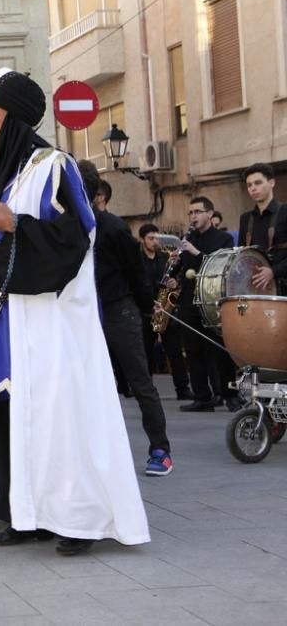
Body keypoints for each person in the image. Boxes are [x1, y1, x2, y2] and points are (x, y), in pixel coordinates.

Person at [0, 67, 149, 555]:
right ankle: (31, 515)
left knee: (63, 419)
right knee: (31, 422)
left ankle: (80, 521)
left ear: (12, 119)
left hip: (57, 323)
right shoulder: (12, 175)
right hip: (23, 323)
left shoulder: (54, 166)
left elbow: (80, 236)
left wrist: (15, 224)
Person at [79, 161, 172, 476]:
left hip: (119, 311)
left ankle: (161, 450)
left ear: (95, 197)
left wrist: (148, 306)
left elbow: (135, 273)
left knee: (140, 382)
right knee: (86, 386)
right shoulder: (67, 228)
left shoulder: (115, 228)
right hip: (82, 315)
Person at [172, 196, 237, 412]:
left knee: (220, 350)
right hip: (190, 300)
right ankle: (202, 397)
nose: (193, 216)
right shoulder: (188, 238)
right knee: (193, 350)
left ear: (210, 214)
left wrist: (195, 253)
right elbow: (181, 268)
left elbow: (222, 266)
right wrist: (174, 267)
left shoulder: (223, 238)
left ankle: (230, 395)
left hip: (213, 300)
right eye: (190, 213)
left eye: (198, 212)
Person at [138, 223, 192, 400]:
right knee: (145, 352)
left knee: (175, 351)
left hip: (165, 308)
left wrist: (174, 283)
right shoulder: (137, 260)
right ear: (142, 240)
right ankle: (147, 390)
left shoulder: (166, 259)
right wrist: (148, 302)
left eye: (157, 238)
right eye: (150, 238)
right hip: (146, 310)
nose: (155, 242)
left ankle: (182, 388)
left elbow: (176, 278)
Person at [237, 163, 287, 290]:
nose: (253, 188)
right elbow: (241, 254)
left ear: (271, 183)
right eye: (249, 185)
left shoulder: (285, 211)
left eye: (258, 183)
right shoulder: (245, 219)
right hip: (256, 289)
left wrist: (274, 271)